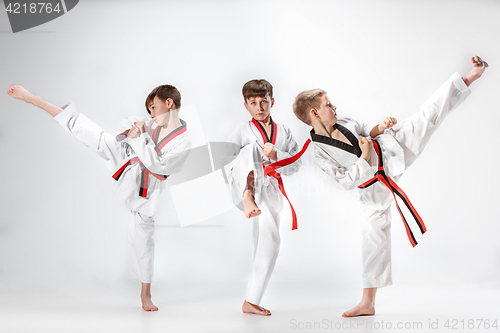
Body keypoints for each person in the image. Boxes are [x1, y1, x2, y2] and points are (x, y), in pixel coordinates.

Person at [291, 56, 488, 317]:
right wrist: (363, 157)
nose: (334, 106)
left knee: (427, 116)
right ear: (314, 113)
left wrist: (380, 127)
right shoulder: (317, 153)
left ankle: (471, 76)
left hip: (393, 148)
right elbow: (344, 182)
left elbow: (365, 130)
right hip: (373, 186)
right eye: (328, 105)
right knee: (373, 236)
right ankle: (368, 303)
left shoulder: (345, 121)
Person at [7, 84, 191, 311]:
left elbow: (160, 168)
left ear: (169, 103)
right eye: (149, 110)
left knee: (141, 239)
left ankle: (146, 294)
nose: (151, 114)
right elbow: (127, 128)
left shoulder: (183, 141)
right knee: (90, 133)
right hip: (127, 156)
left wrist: (140, 135)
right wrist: (133, 132)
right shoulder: (150, 123)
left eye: (154, 107)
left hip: (147, 185)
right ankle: (38, 101)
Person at [226, 79, 300, 315]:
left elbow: (295, 164)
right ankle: (248, 196)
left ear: (272, 102)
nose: (260, 107)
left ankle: (251, 300)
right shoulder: (242, 130)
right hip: (245, 184)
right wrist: (249, 167)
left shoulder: (284, 132)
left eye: (264, 102)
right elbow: (226, 158)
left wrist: (277, 154)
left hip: (269, 190)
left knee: (268, 242)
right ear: (246, 105)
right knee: (249, 149)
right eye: (253, 102)